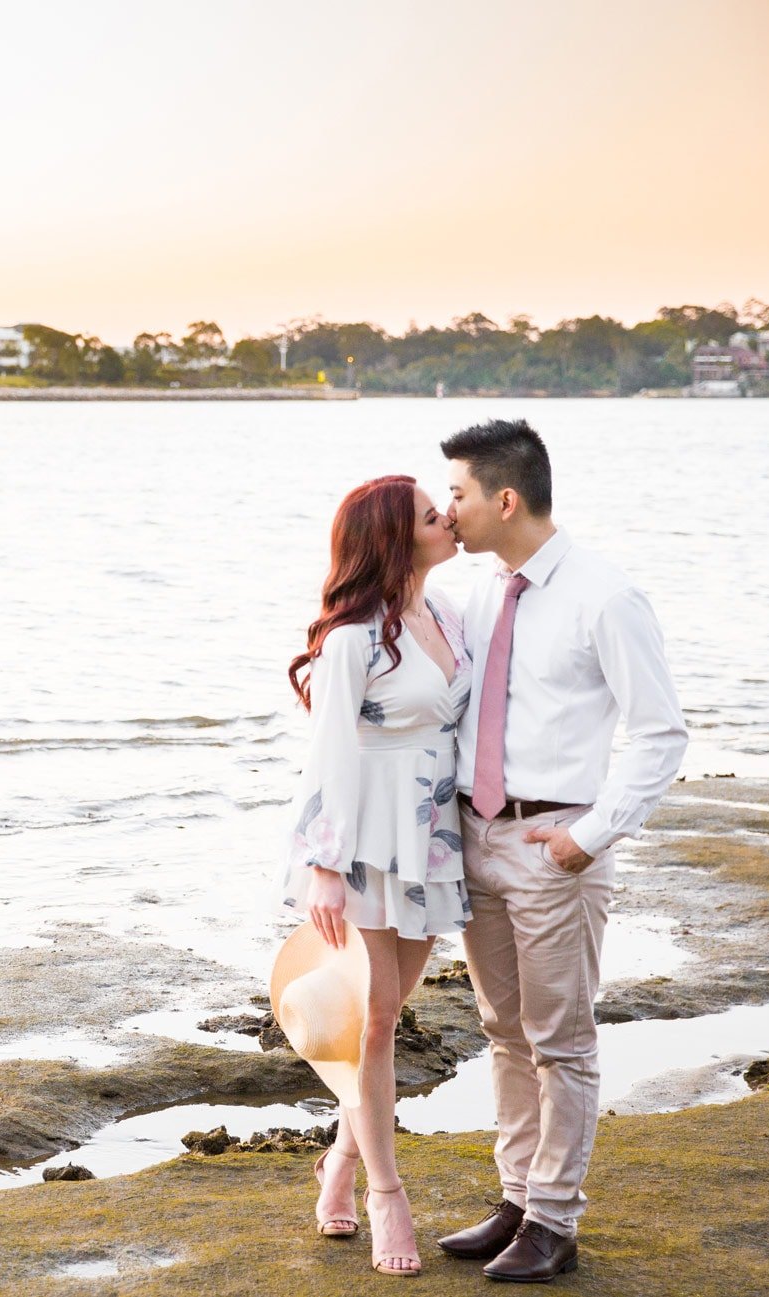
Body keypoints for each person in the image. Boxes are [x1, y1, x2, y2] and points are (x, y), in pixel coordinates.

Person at [435, 420, 686, 1283]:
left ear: (505, 499)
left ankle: (554, 1220)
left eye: (458, 494)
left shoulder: (604, 596)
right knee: (502, 1033)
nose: (448, 510)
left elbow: (659, 733)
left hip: (555, 845)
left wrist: (588, 835)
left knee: (560, 1039)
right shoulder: (475, 593)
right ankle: (515, 1197)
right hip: (475, 837)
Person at [277, 473, 472, 1278]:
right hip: (358, 845)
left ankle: (338, 1163)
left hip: (430, 837)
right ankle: (386, 1193)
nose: (449, 518)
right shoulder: (351, 640)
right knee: (374, 1017)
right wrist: (323, 867)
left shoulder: (447, 617)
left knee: (385, 1021)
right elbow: (331, 756)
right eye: (433, 515)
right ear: (396, 538)